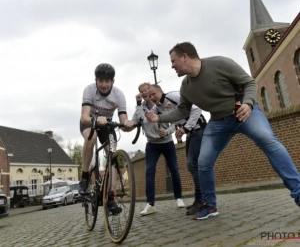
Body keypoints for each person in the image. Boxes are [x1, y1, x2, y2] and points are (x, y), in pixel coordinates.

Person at [145, 42, 300, 220]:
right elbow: (182, 111)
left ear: (185, 56)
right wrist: (158, 118)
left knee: (268, 140)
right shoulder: (186, 86)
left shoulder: (220, 64)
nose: (171, 65)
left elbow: (249, 82)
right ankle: (210, 205)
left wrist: (248, 103)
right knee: (203, 161)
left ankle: (298, 192)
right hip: (218, 122)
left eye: (173, 61)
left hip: (244, 113)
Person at [79, 63, 133, 212]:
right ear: (96, 80)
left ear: (112, 82)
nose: (103, 85)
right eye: (100, 81)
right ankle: (84, 177)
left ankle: (110, 197)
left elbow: (123, 121)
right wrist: (96, 119)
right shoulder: (89, 90)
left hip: (107, 126)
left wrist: (128, 124)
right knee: (92, 137)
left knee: (113, 154)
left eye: (107, 81)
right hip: (90, 122)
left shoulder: (118, 95)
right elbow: (84, 117)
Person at [147, 84, 207, 215]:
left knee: (193, 164)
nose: (152, 97)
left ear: (160, 91)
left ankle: (202, 200)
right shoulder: (158, 108)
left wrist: (185, 128)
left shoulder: (173, 96)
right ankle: (199, 199)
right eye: (149, 96)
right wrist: (171, 131)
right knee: (192, 165)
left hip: (199, 129)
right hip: (191, 133)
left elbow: (196, 109)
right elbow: (172, 121)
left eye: (153, 94)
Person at [131, 82, 185, 216]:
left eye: (146, 90)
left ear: (150, 91)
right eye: (141, 91)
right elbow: (137, 121)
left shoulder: (162, 104)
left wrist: (167, 132)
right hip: (152, 144)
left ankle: (178, 198)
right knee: (149, 171)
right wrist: (136, 107)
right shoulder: (140, 108)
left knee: (174, 169)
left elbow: (175, 121)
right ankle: (150, 204)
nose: (144, 93)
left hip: (167, 142)